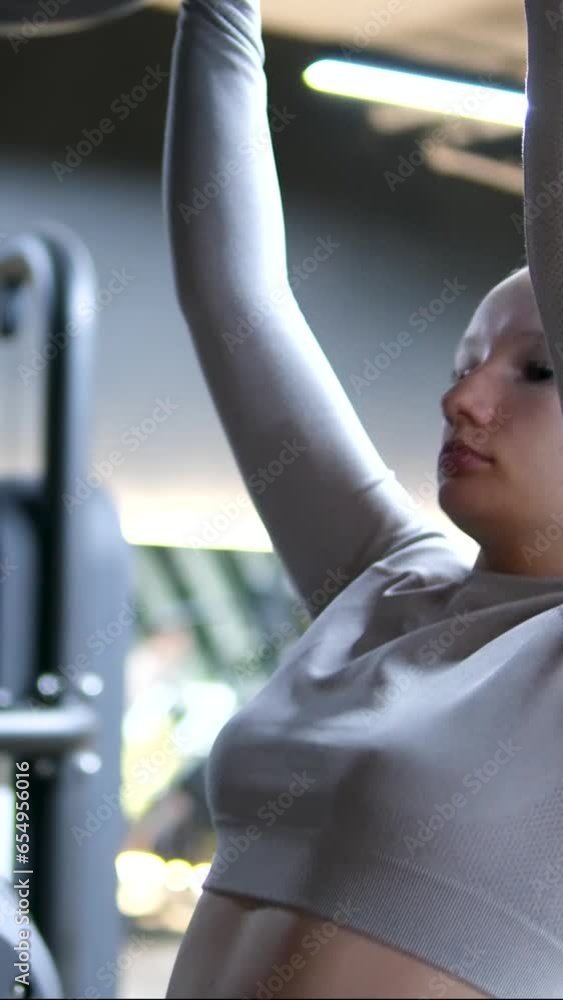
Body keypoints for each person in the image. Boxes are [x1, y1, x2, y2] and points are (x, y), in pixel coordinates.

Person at [162, 1, 563, 997]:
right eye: (465, 360)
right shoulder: (382, 589)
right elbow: (234, 295)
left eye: (536, 370)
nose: (460, 397)